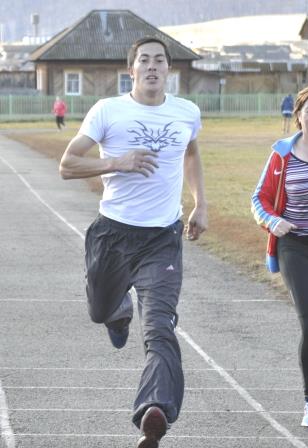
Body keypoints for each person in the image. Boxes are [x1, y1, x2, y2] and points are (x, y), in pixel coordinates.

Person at [59, 36, 208, 447]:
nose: (153, 66)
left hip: (163, 238)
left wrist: (200, 203)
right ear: (132, 69)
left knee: (160, 328)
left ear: (168, 69)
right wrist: (116, 163)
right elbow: (67, 164)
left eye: (160, 60)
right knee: (99, 309)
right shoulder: (109, 110)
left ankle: (154, 414)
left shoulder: (186, 112)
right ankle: (118, 311)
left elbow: (191, 152)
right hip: (113, 234)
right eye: (145, 60)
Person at [251, 84, 308, 429]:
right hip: (296, 246)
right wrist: (273, 221)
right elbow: (259, 198)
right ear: (298, 116)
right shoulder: (283, 154)